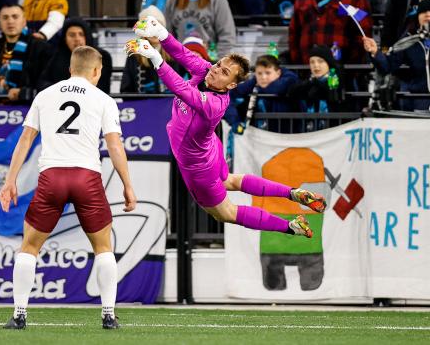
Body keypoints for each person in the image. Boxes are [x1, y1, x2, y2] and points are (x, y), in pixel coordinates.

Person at [127, 16, 326, 238]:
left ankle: (290, 227)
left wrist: (156, 58)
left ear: (231, 85)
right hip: (210, 149)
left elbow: (182, 89)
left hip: (198, 168)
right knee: (231, 180)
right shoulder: (207, 71)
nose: (216, 70)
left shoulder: (215, 103)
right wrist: (161, 33)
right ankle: (293, 193)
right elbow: (183, 54)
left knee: (227, 213)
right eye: (219, 64)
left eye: (223, 72)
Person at [0, 45, 137, 330]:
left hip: (52, 177)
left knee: (29, 247)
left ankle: (19, 315)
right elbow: (114, 145)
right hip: (87, 178)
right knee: (103, 248)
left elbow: (24, 140)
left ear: (70, 68)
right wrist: (128, 186)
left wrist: (10, 180)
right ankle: (108, 315)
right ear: (97, 71)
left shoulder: (44, 95)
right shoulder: (103, 99)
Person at [363, 0, 430, 111]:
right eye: (423, 11)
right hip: (418, 101)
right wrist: (375, 52)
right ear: (417, 16)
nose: (428, 14)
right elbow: (387, 66)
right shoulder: (409, 40)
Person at [224, 54, 298, 133]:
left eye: (268, 73)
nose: (263, 77)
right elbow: (228, 95)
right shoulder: (255, 81)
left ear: (278, 73)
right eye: (259, 73)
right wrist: (234, 121)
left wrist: (257, 89)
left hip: (290, 133)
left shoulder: (290, 78)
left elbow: (279, 87)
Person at [38, 17, 112, 93]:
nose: (77, 38)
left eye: (81, 34)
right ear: (65, 39)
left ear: (87, 36)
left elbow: (102, 88)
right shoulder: (53, 56)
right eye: (72, 35)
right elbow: (42, 84)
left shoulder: (102, 57)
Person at [288, 45, 346, 115]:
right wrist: (310, 82)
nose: (316, 66)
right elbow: (292, 92)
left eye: (320, 61)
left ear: (328, 63)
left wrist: (315, 83)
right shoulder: (309, 80)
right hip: (311, 124)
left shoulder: (338, 77)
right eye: (312, 62)